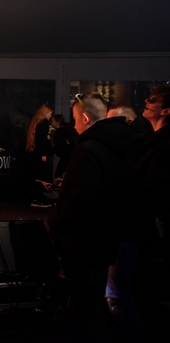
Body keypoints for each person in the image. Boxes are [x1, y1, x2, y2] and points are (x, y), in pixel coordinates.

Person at [47, 92, 133, 342]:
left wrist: (54, 220)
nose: (74, 126)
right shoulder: (119, 145)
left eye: (75, 119)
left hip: (81, 244)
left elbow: (80, 202)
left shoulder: (88, 149)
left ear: (85, 118)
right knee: (93, 304)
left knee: (85, 309)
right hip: (106, 239)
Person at [107, 85, 170, 342]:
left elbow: (155, 192)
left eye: (153, 99)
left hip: (144, 226)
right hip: (143, 225)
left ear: (166, 110)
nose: (146, 100)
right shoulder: (150, 140)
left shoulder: (162, 146)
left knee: (122, 295)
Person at [25, 104, 54, 207]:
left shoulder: (36, 124)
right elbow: (41, 140)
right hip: (41, 154)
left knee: (38, 175)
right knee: (41, 176)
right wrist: (43, 153)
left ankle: (37, 196)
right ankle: (39, 197)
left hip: (36, 153)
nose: (51, 115)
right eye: (50, 113)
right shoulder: (43, 125)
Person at [51, 114, 76, 180]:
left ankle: (62, 186)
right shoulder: (65, 130)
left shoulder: (59, 132)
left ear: (57, 122)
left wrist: (50, 152)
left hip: (66, 155)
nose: (51, 123)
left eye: (52, 121)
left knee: (58, 174)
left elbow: (59, 145)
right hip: (69, 155)